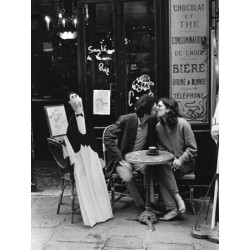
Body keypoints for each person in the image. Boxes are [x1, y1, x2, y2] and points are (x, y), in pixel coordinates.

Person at [63, 92, 113, 227]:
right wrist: (74, 162)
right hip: (80, 157)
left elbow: (91, 136)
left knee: (97, 182)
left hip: (91, 154)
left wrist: (99, 156)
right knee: (86, 185)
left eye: (76, 96)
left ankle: (103, 213)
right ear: (70, 104)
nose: (75, 99)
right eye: (72, 98)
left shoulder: (87, 116)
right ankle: (91, 216)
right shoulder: (71, 121)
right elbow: (68, 142)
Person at [104, 94, 158, 208]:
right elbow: (108, 137)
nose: (157, 109)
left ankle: (151, 203)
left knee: (149, 171)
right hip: (122, 159)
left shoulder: (152, 122)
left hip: (139, 159)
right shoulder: (126, 119)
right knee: (127, 177)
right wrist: (119, 159)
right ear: (146, 111)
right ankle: (142, 206)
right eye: (154, 108)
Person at [155, 97, 197, 220]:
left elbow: (192, 148)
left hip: (187, 163)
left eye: (159, 106)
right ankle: (178, 200)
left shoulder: (183, 124)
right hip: (170, 163)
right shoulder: (158, 127)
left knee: (161, 171)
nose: (156, 108)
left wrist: (180, 160)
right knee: (160, 168)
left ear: (168, 109)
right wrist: (172, 159)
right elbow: (162, 148)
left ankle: (172, 207)